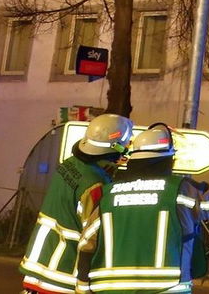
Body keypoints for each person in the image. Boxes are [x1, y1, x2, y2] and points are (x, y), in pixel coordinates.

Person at [77, 122, 209, 294]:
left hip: (110, 287)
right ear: (168, 158)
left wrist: (83, 287)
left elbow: (86, 244)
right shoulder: (179, 190)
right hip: (166, 286)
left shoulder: (109, 194)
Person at [19, 112, 133, 294]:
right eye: (126, 143)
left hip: (38, 265)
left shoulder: (70, 164)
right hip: (63, 272)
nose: (128, 146)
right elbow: (95, 232)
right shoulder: (94, 185)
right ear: (115, 147)